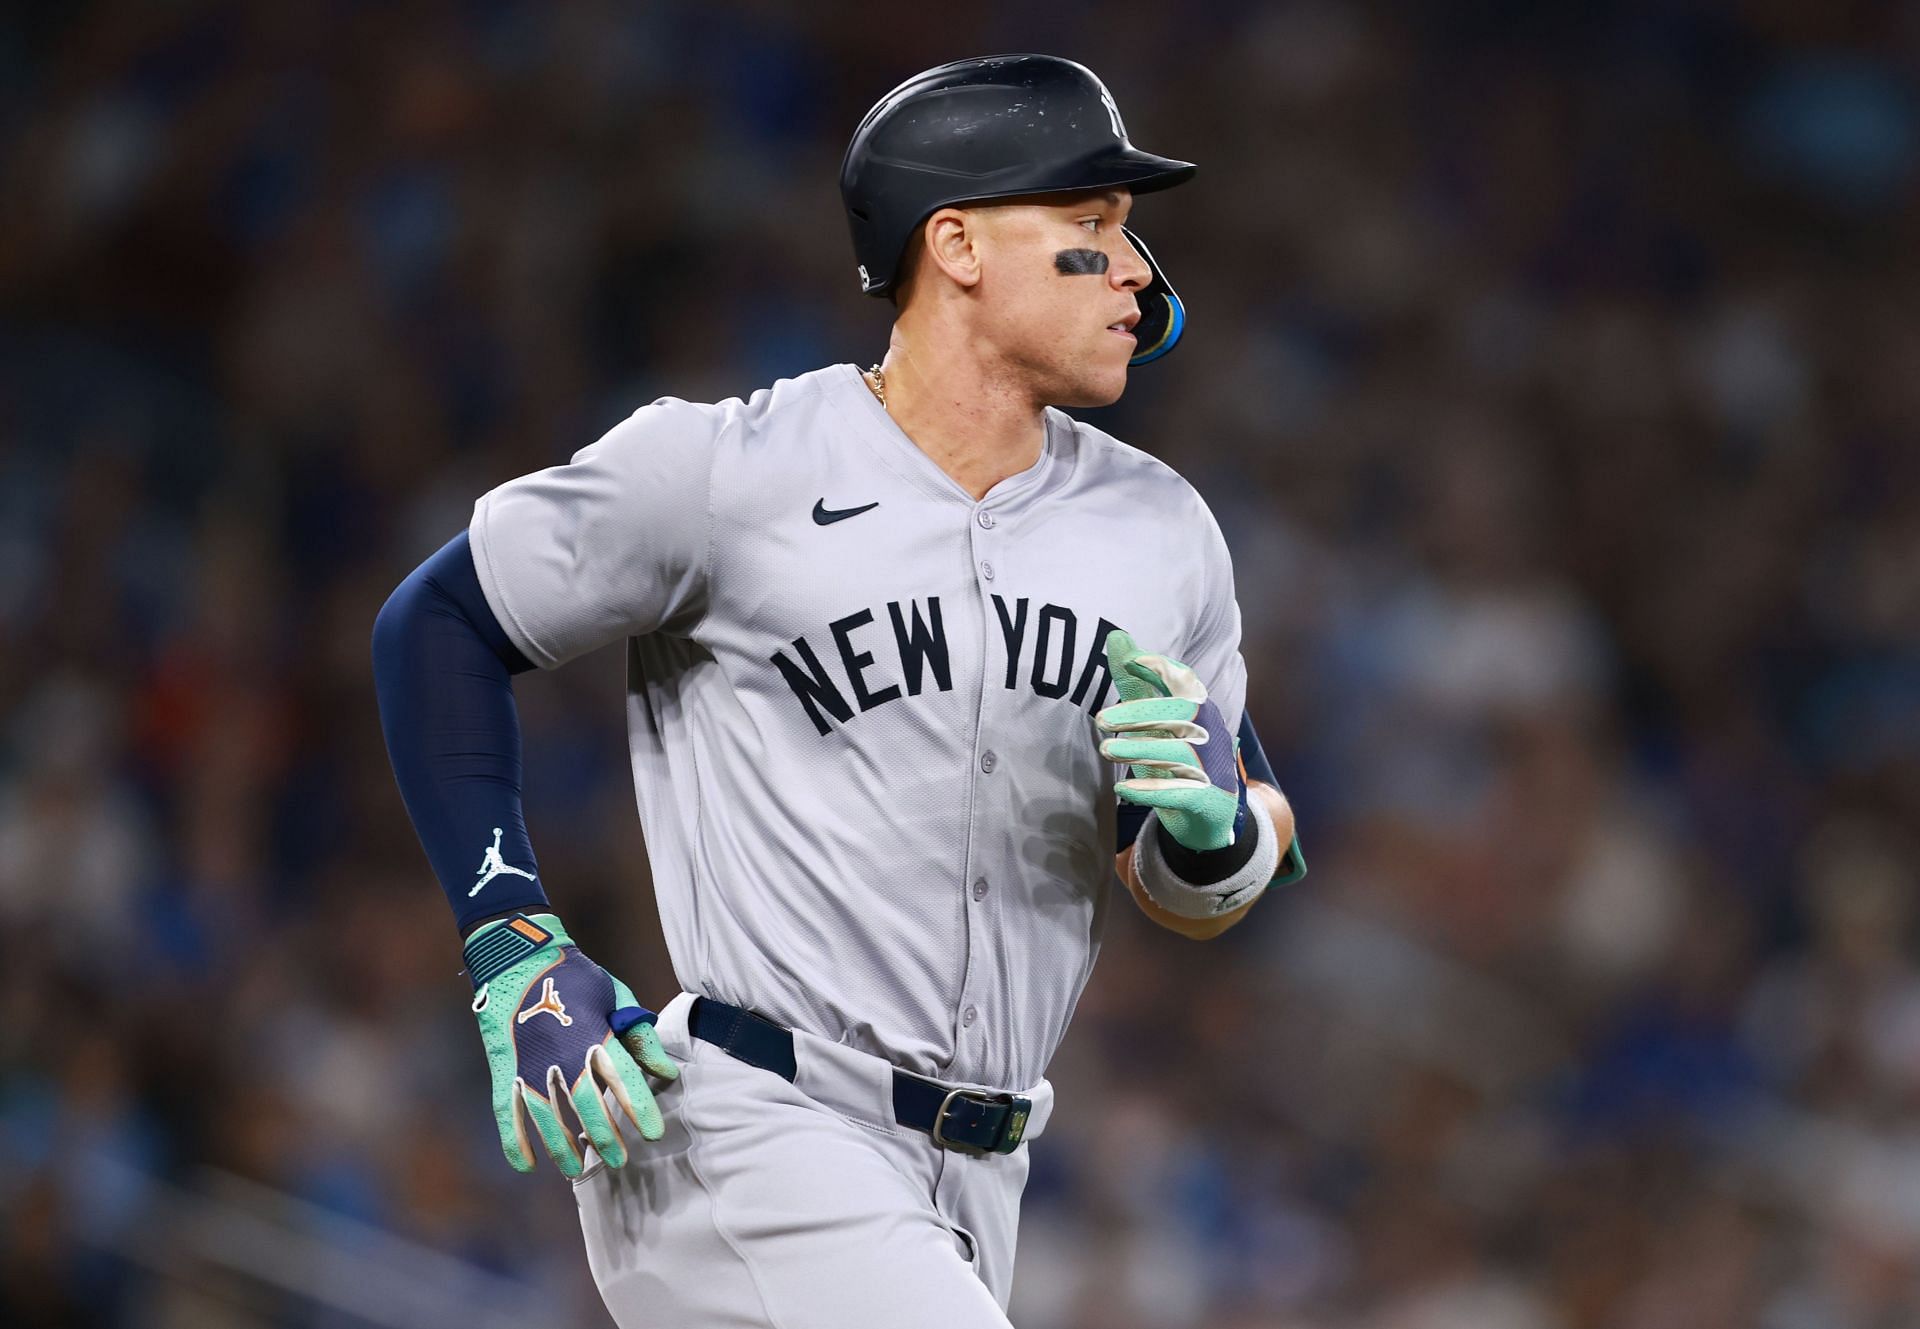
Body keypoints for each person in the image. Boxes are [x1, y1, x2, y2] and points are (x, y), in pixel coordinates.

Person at [372, 53, 1304, 1328]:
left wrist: (1218, 836)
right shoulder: (726, 472)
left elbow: (1219, 854)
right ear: (959, 245)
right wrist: (511, 940)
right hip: (752, 1127)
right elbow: (437, 626)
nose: (1137, 272)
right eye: (1091, 229)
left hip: (983, 1175)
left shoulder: (1164, 531)